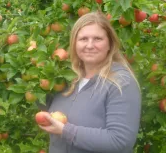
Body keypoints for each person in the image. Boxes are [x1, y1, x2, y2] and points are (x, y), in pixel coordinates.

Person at [39, 12, 141, 153]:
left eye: (98, 39)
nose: (90, 45)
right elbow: (46, 107)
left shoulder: (120, 82)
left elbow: (119, 141)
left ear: (110, 44)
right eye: (83, 39)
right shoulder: (66, 78)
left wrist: (65, 131)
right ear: (74, 43)